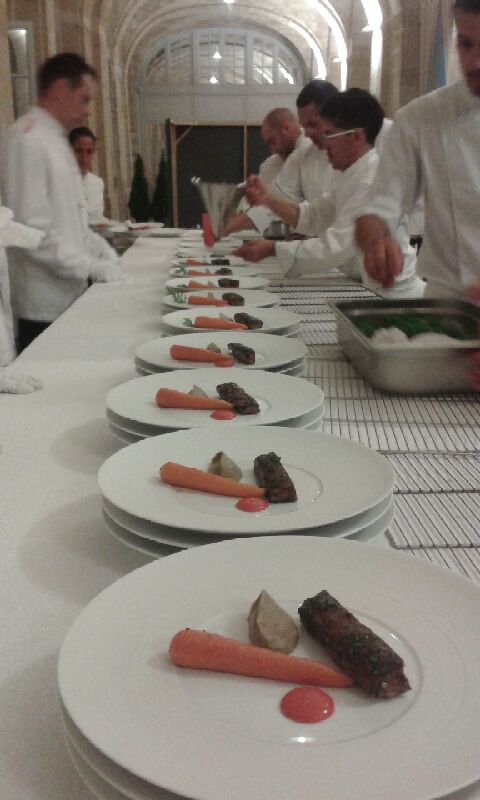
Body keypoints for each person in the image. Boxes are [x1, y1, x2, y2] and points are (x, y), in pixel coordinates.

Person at [234, 89, 424, 299]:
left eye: (329, 134)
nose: (323, 145)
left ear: (356, 136)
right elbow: (313, 216)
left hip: (394, 296)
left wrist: (272, 249)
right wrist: (267, 200)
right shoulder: (349, 174)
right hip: (364, 286)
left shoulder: (371, 180)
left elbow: (335, 247)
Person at [355, 0, 480, 298]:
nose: (475, 62)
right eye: (465, 44)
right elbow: (379, 208)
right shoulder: (422, 117)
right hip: (448, 303)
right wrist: (376, 241)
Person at [0, 52, 121, 352]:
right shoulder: (27, 138)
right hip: (42, 304)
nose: (88, 110)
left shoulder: (54, 139)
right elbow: (32, 232)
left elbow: (72, 220)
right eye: (84, 99)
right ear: (59, 89)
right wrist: (90, 266)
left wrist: (100, 249)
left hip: (67, 292)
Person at [222, 107, 308, 236]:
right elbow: (269, 205)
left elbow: (283, 204)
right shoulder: (272, 163)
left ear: (286, 128)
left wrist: (233, 225)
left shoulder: (308, 151)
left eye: (273, 141)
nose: (273, 150)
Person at [68, 126, 109, 225]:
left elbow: (98, 218)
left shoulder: (97, 183)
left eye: (89, 152)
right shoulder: (57, 182)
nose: (84, 158)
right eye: (79, 151)